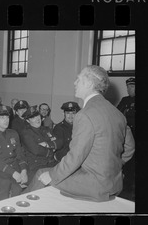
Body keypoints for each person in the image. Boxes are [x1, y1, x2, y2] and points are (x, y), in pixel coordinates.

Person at [24, 65, 135, 202]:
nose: (74, 83)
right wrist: (112, 165)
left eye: (78, 79)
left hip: (95, 186)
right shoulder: (117, 113)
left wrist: (52, 174)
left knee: (42, 174)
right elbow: (129, 148)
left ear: (88, 83)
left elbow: (75, 156)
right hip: (115, 183)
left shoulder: (84, 115)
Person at [0, 105, 28, 196]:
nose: (6, 120)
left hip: (16, 169)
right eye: (2, 117)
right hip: (0, 172)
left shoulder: (13, 133)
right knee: (16, 189)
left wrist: (24, 171)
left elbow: (20, 154)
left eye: (7, 117)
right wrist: (13, 173)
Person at [20, 105, 57, 184]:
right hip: (37, 165)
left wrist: (47, 144)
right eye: (33, 118)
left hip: (51, 162)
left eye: (37, 116)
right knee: (50, 182)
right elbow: (36, 150)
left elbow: (58, 142)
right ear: (28, 121)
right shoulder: (26, 133)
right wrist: (50, 150)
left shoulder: (46, 129)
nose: (37, 119)